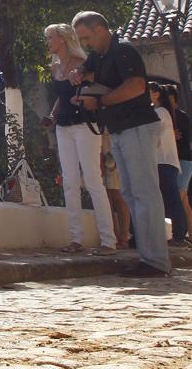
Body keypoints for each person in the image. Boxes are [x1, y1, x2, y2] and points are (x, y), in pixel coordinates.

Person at [71, 11, 170, 277]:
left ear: (101, 29)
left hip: (136, 126)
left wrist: (100, 101)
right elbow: (87, 66)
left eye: (87, 37)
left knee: (144, 193)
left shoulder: (123, 50)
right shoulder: (101, 54)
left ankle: (156, 261)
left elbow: (136, 86)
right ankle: (148, 256)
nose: (86, 44)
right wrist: (80, 73)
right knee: (132, 193)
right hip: (121, 128)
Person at [41, 23, 115, 255]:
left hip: (85, 124)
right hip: (63, 126)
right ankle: (76, 238)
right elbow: (62, 97)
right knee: (70, 182)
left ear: (62, 39)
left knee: (93, 180)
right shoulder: (54, 67)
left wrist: (83, 96)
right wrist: (52, 116)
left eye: (50, 37)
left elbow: (100, 88)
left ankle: (108, 241)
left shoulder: (83, 64)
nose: (48, 42)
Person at [148, 84, 190, 247]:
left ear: (156, 94)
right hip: (166, 161)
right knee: (171, 198)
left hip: (163, 160)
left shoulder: (160, 113)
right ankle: (178, 234)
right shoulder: (164, 112)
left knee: (171, 199)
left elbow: (154, 136)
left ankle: (179, 235)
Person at [162, 86, 192, 244]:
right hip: (177, 161)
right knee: (183, 201)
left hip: (183, 161)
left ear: (173, 98)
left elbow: (182, 139)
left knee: (179, 196)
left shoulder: (180, 116)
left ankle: (184, 234)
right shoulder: (170, 116)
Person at [100, 133, 132, 249]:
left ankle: (123, 239)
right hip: (99, 146)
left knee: (118, 197)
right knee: (106, 200)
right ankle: (113, 237)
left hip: (114, 145)